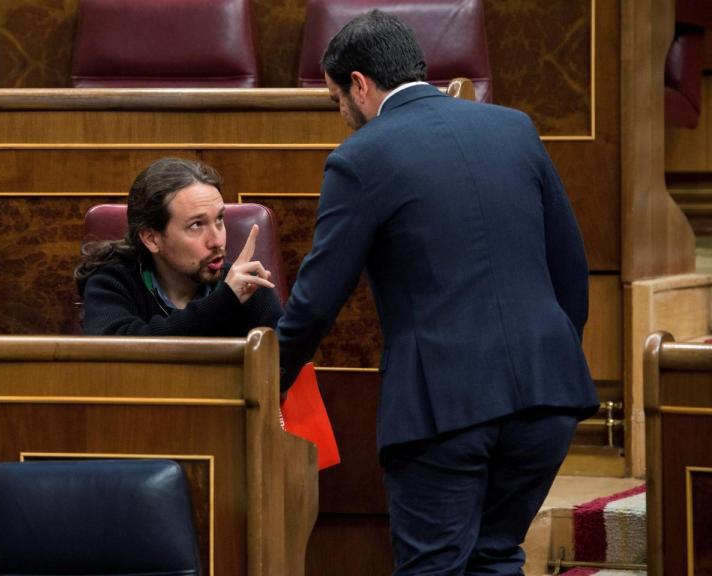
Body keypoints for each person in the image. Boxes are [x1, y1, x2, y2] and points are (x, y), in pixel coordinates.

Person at [274, 11, 599, 575]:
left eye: (335, 101)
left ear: (359, 84)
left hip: (444, 405)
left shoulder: (361, 158)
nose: (342, 117)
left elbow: (317, 300)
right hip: (548, 393)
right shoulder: (513, 127)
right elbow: (570, 267)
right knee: (495, 557)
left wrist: (264, 381)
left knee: (434, 566)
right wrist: (552, 351)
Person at [76, 157, 281, 336]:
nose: (217, 241)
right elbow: (122, 354)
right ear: (152, 239)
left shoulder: (247, 288)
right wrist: (223, 302)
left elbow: (282, 368)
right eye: (196, 225)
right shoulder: (113, 282)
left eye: (219, 219)